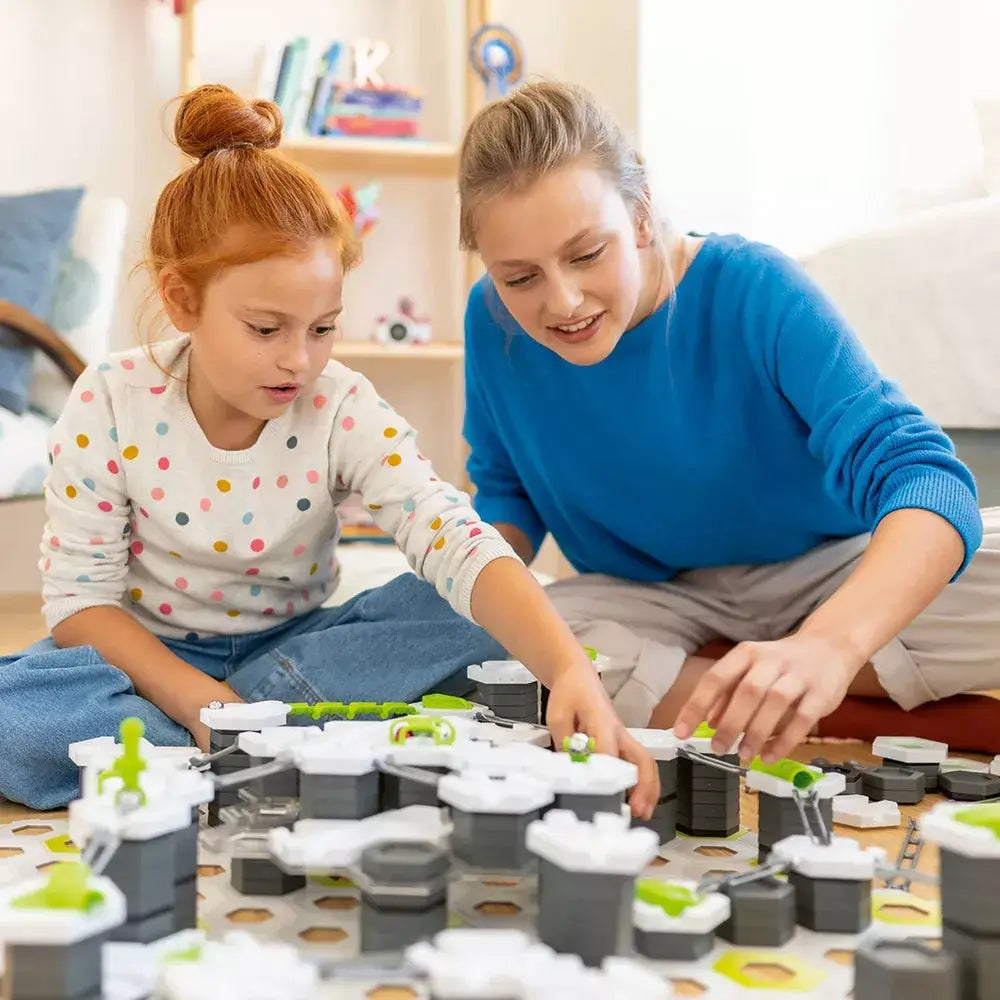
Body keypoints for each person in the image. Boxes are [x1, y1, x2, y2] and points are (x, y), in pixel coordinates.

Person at [0, 85, 658, 812]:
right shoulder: (110, 398)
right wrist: (201, 701)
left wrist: (568, 668)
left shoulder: (339, 403)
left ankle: (223, 739)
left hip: (301, 650)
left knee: (464, 613)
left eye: (322, 328)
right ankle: (262, 733)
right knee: (17, 711)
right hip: (147, 661)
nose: (299, 361)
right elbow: (79, 604)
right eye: (266, 328)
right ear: (183, 300)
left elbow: (452, 533)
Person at [458, 80, 1000, 767]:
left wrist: (830, 642)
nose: (561, 300)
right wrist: (456, 583)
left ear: (642, 215)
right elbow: (505, 495)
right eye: (519, 276)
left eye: (587, 254)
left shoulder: (754, 287)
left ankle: (752, 678)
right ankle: (848, 708)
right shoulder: (491, 321)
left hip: (825, 571)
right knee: (490, 646)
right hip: (647, 599)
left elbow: (926, 478)